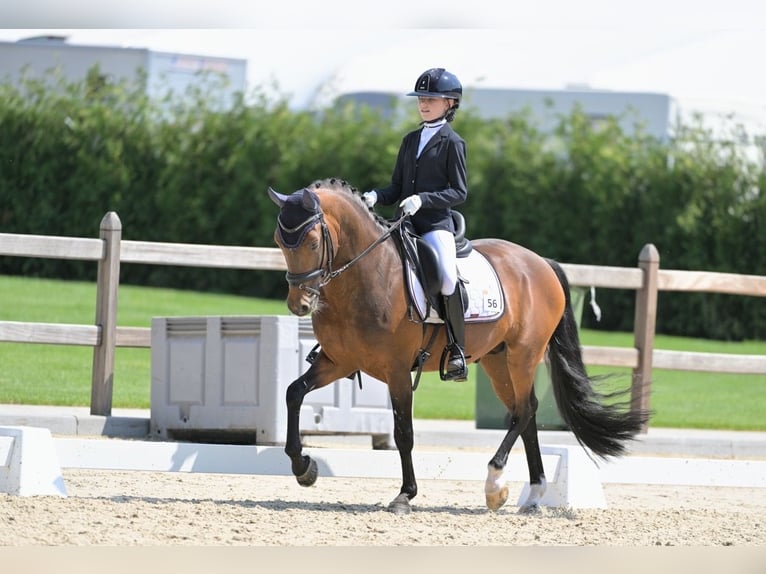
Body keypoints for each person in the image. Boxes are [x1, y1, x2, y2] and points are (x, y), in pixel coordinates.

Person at [362, 67, 468, 381]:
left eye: (431, 98)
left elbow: (459, 191)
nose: (424, 103)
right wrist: (374, 196)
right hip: (402, 224)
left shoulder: (453, 143)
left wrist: (423, 199)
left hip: (435, 224)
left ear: (450, 103)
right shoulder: (410, 140)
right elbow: (396, 187)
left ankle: (456, 349)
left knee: (448, 278)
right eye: (421, 97)